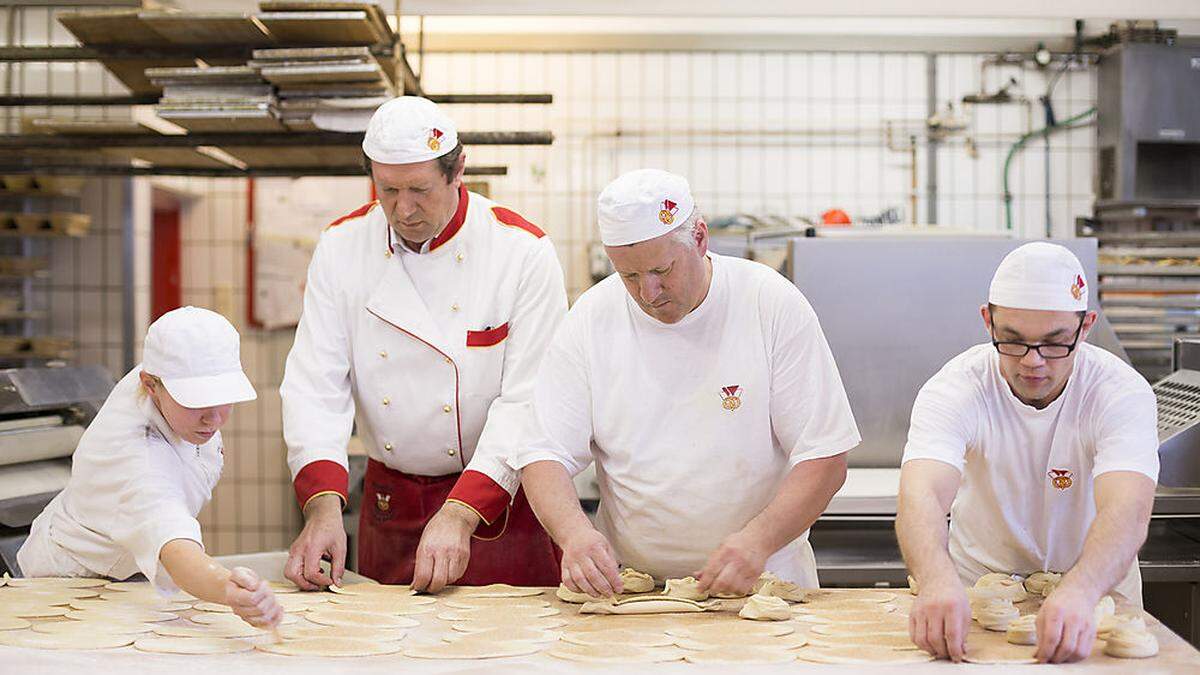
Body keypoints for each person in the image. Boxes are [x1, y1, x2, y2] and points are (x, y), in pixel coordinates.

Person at [511, 168, 860, 597]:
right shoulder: (590, 319)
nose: (649, 292)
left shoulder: (768, 303)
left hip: (762, 583)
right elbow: (543, 452)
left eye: (662, 270)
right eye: (630, 277)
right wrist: (574, 535)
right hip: (632, 591)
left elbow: (825, 458)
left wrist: (758, 541)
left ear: (700, 238)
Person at [282, 96, 566, 592]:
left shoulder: (521, 252)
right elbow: (315, 385)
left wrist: (461, 512)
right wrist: (322, 507)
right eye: (387, 190)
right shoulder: (342, 247)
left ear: (459, 170)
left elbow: (528, 400)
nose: (403, 209)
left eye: (419, 189)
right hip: (390, 505)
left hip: (496, 501)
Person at [897, 242, 1159, 663]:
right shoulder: (957, 388)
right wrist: (934, 579)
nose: (1033, 362)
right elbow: (921, 495)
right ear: (988, 321)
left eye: (1056, 343)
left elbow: (1127, 508)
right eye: (1013, 341)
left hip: (1097, 591)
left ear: (1085, 326)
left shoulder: (1119, 392)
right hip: (980, 596)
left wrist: (1082, 589)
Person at [18, 306, 280, 627]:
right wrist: (230, 590)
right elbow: (177, 550)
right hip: (69, 584)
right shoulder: (136, 459)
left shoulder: (170, 379)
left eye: (222, 397)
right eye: (196, 400)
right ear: (149, 385)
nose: (213, 418)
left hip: (124, 575)